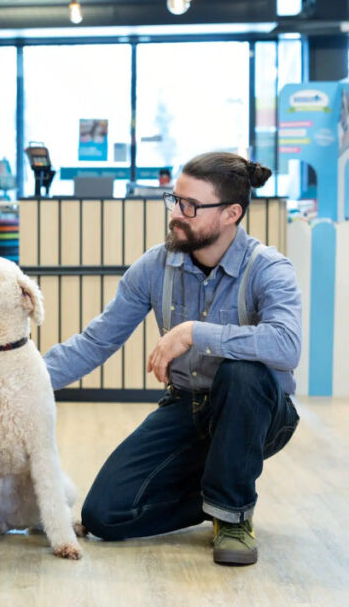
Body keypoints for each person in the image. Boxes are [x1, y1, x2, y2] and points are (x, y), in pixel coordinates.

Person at [43, 152, 302, 566]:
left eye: (191, 206)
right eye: (174, 200)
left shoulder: (268, 269)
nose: (176, 214)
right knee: (103, 515)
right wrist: (22, 378)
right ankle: (219, 492)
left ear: (231, 213)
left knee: (243, 373)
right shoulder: (155, 265)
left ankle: (234, 516)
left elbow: (286, 346)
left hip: (258, 413)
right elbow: (97, 341)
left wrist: (194, 332)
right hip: (186, 405)